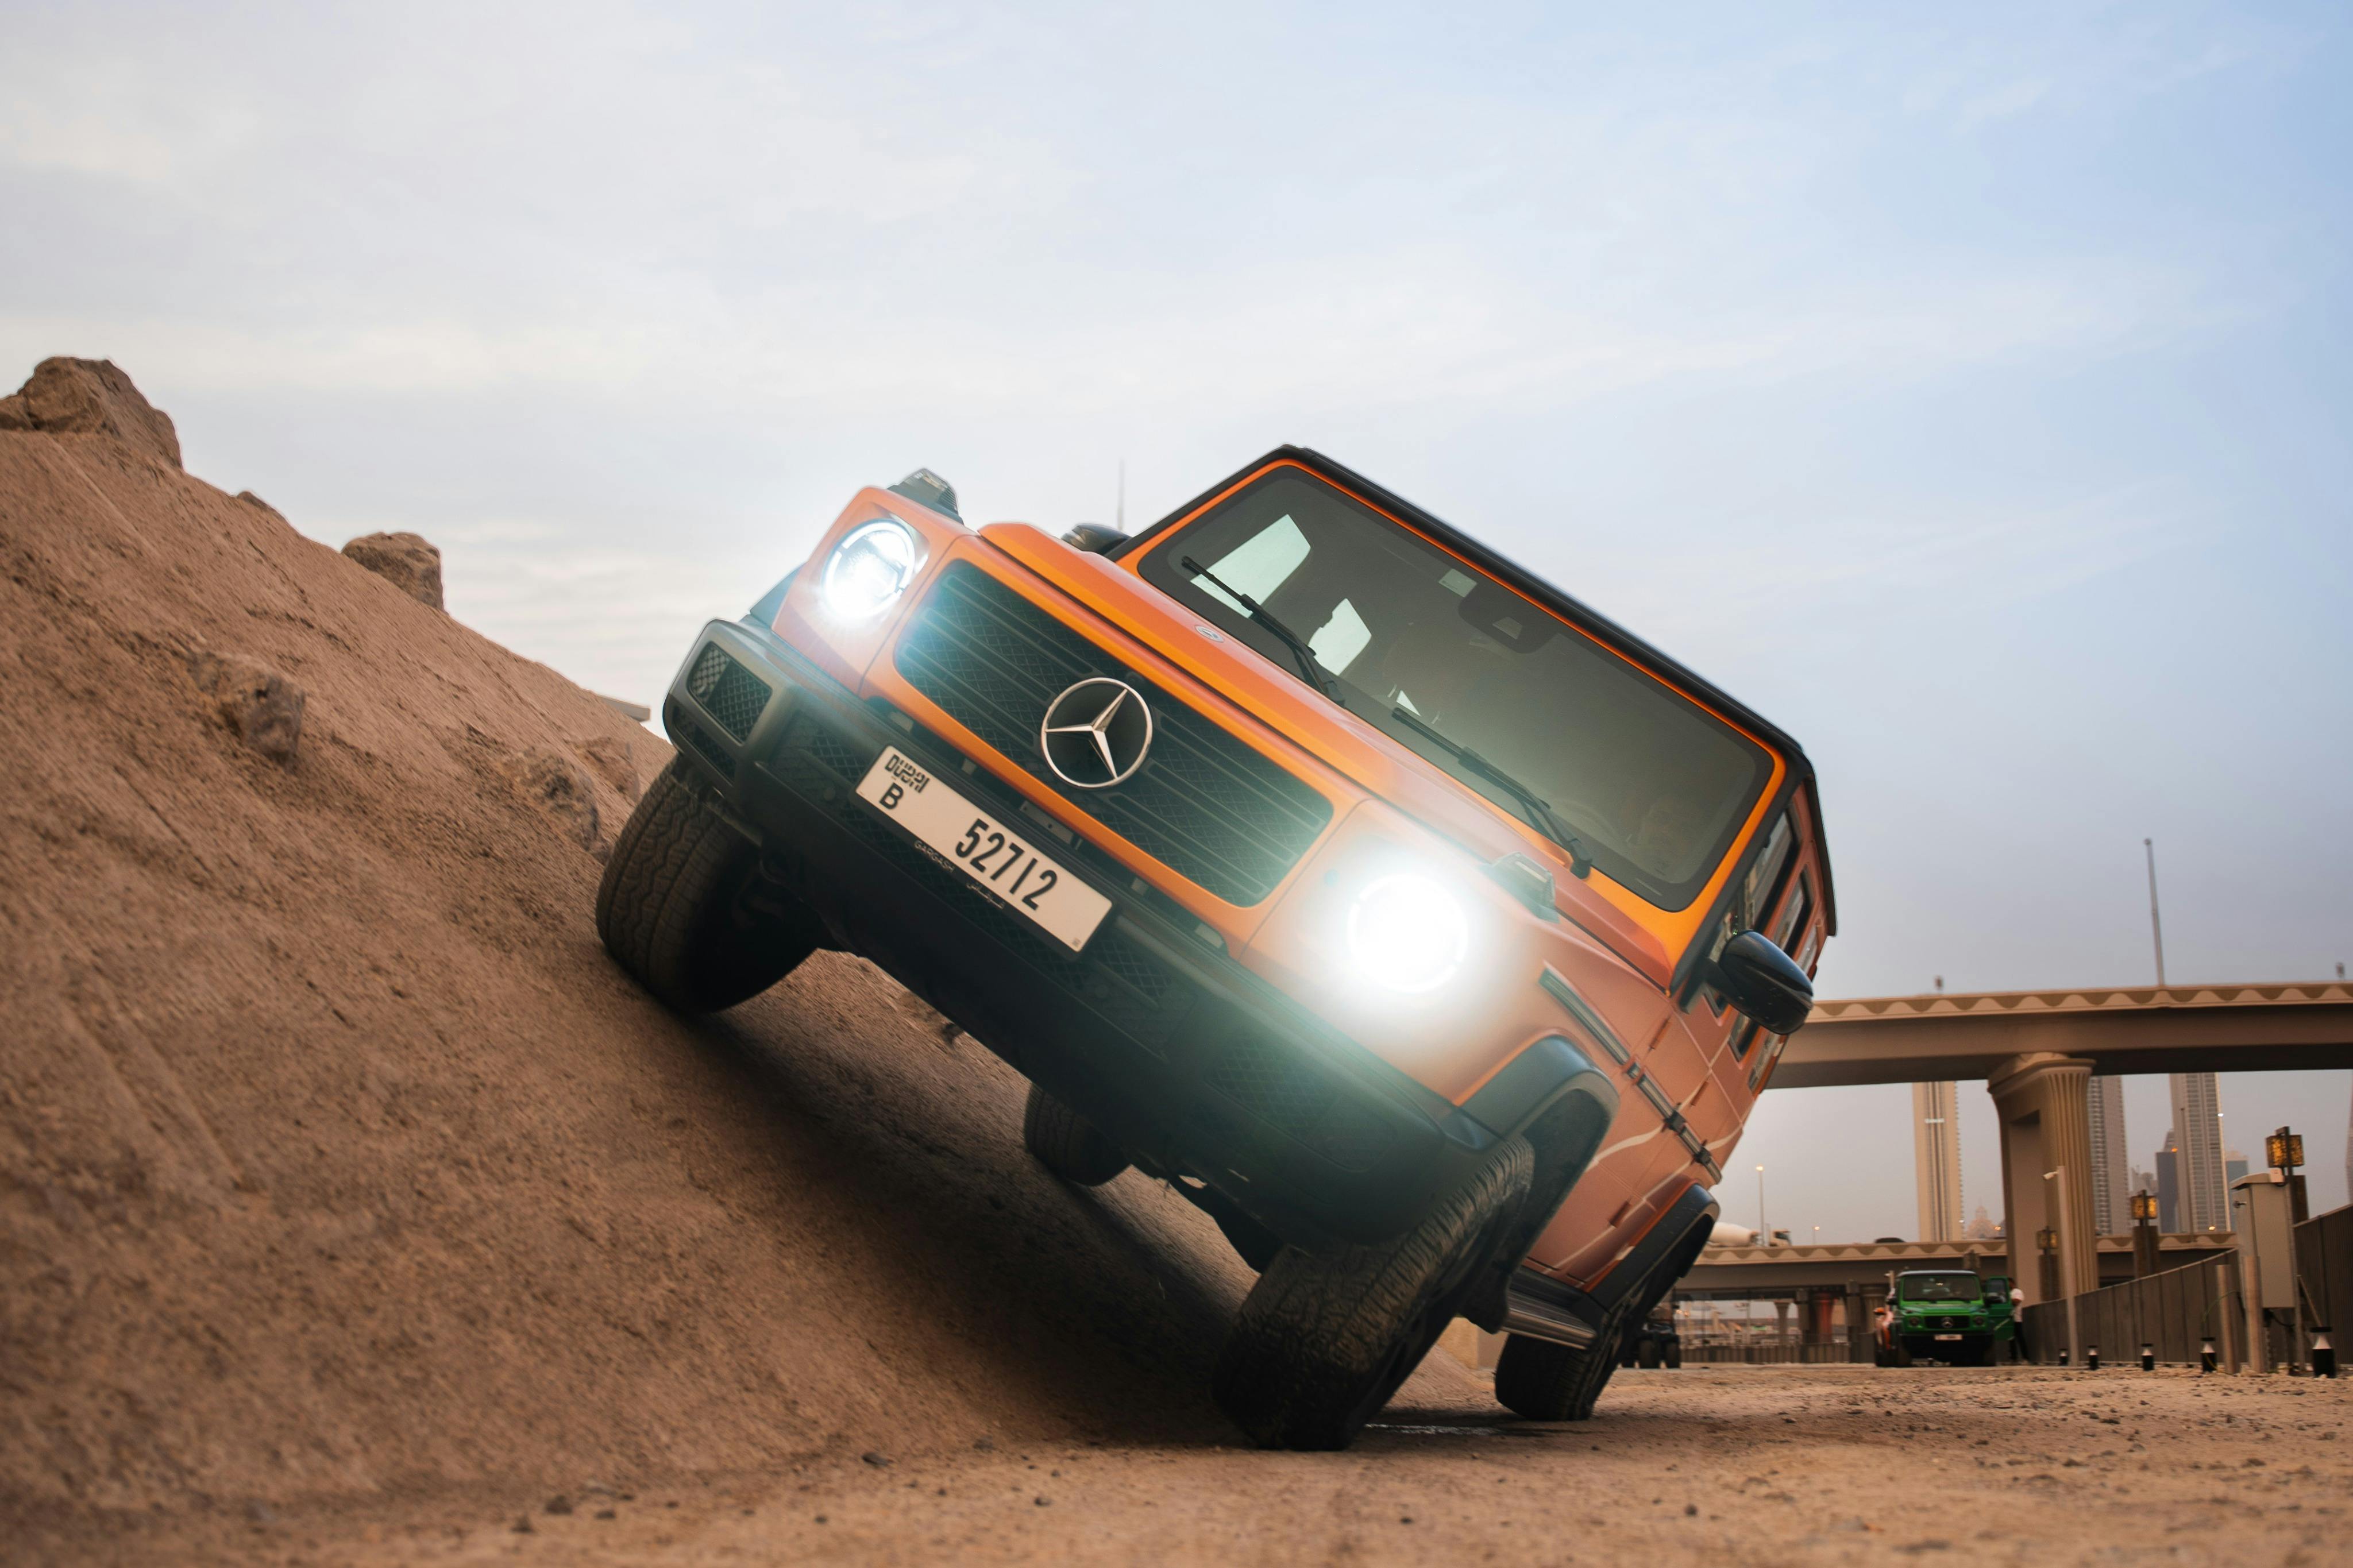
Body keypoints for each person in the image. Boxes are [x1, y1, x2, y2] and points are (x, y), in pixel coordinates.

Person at [2008, 1285, 2031, 1363]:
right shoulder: (2009, 1293)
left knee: (2020, 1339)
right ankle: (2014, 1358)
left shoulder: (2017, 1292)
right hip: (2010, 1320)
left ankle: (2026, 1358)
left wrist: (2008, 1299)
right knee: (2011, 1339)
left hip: (2017, 1320)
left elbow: (2016, 1301)